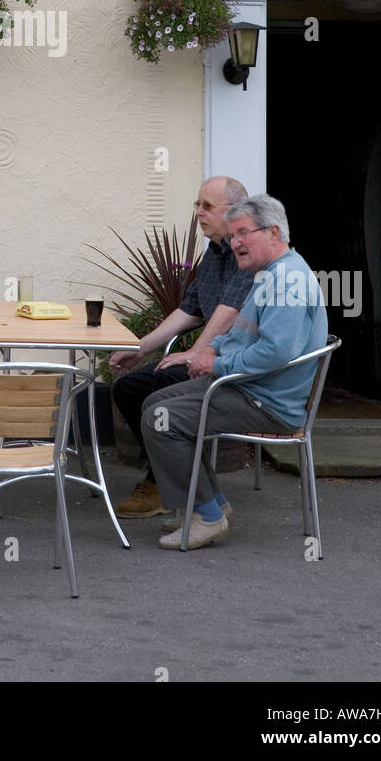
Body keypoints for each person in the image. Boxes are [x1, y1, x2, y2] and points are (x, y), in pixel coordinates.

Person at [142, 193, 328, 551]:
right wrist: (212, 348)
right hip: (251, 388)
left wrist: (217, 364)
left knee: (160, 418)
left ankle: (208, 515)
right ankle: (211, 502)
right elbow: (245, 334)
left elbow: (276, 351)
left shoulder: (287, 281)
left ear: (274, 232)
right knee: (156, 401)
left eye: (243, 233)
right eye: (233, 235)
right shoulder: (271, 274)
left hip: (267, 401)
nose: (235, 243)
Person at [110, 175, 252, 518]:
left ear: (233, 211)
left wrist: (196, 353)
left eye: (207, 206)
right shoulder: (216, 251)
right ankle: (169, 476)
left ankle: (176, 486)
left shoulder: (247, 250)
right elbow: (190, 309)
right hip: (213, 359)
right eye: (197, 205)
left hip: (233, 367)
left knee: (156, 397)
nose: (199, 213)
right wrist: (140, 348)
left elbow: (229, 311)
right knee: (129, 387)